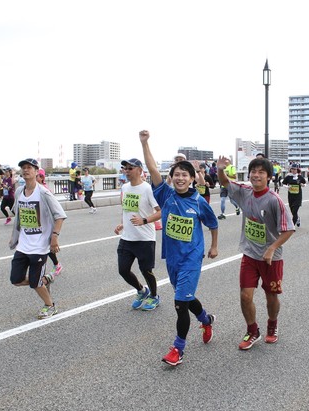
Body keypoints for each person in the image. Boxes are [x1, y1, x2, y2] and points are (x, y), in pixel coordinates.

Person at [140, 131, 218, 366]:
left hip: (192, 258)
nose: (180, 178)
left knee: (180, 304)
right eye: (177, 175)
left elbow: (213, 224)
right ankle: (206, 319)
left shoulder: (199, 202)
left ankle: (178, 349)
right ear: (172, 178)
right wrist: (145, 143)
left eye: (185, 175)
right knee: (184, 297)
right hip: (172, 258)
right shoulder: (166, 196)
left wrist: (214, 246)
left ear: (192, 178)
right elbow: (153, 170)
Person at [217, 155, 294, 350]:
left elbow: (288, 229)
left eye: (261, 172)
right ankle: (252, 331)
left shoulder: (274, 200)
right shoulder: (245, 192)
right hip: (250, 253)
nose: (256, 175)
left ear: (268, 177)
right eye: (253, 171)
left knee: (271, 297)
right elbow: (225, 182)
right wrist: (220, 169)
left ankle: (272, 324)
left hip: (271, 258)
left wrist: (271, 248)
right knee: (245, 296)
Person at [9, 158, 67, 319]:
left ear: (36, 171)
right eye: (23, 168)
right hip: (23, 244)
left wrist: (54, 238)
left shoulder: (43, 193)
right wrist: (14, 236)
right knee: (16, 279)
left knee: (35, 283)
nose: (25, 170)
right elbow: (19, 215)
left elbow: (60, 216)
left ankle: (50, 305)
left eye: (29, 168)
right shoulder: (20, 191)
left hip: (40, 246)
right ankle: (44, 281)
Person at [114, 158, 162, 311]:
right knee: (123, 270)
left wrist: (145, 220)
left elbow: (161, 211)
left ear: (140, 170)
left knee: (146, 271)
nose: (126, 171)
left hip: (145, 239)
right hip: (127, 238)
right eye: (125, 168)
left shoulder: (148, 189)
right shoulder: (125, 187)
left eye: (130, 168)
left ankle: (154, 296)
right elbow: (126, 209)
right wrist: (122, 223)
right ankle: (142, 291)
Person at [37, 168, 63, 276]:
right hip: (37, 225)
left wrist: (54, 235)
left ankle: (56, 265)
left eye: (36, 176)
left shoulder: (44, 190)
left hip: (46, 225)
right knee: (43, 248)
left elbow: (57, 213)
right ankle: (55, 265)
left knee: (46, 248)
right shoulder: (31, 189)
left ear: (41, 177)